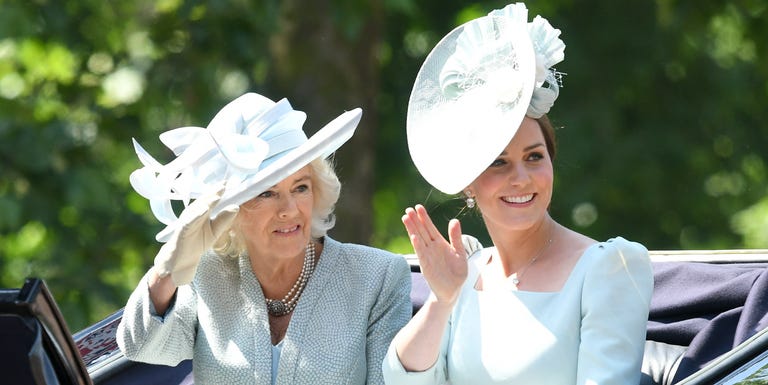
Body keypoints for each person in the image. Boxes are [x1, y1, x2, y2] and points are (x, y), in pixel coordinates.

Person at [383, 3, 654, 384]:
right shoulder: (466, 269)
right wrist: (441, 299)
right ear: (468, 181)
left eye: (534, 157)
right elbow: (402, 380)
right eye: (499, 163)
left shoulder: (608, 269)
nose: (522, 178)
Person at [116, 92, 412, 385]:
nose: (289, 210)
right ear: (232, 210)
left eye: (300, 188)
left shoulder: (378, 277)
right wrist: (167, 271)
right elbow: (140, 346)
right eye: (266, 193)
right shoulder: (204, 274)